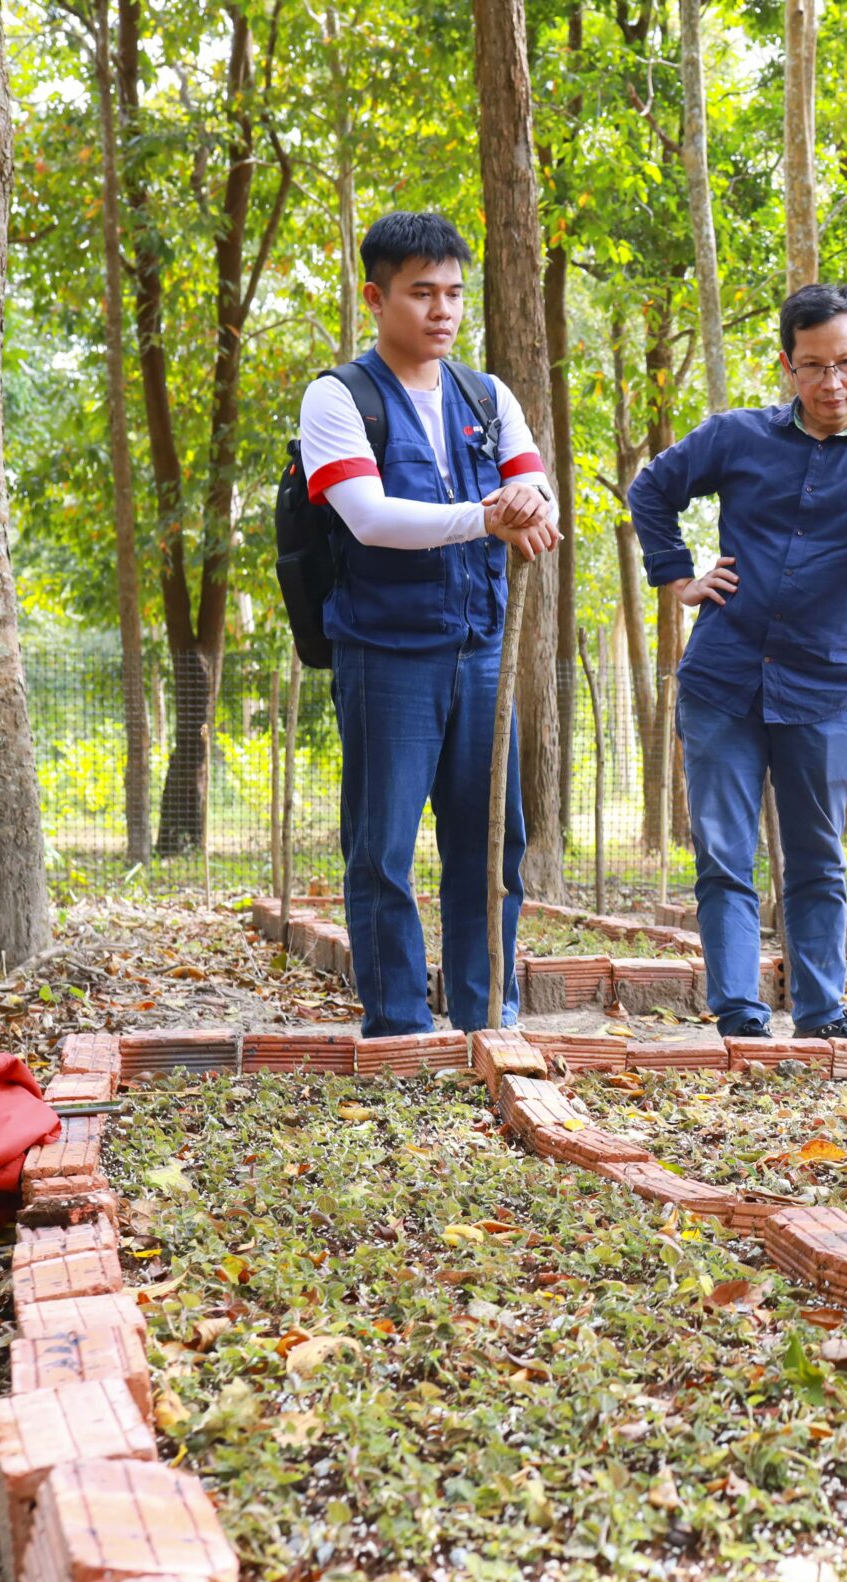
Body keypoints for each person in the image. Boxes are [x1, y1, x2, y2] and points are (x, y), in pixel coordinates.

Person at [627, 282, 847, 1041]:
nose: (831, 382)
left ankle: (821, 1014)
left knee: (817, 858)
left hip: (825, 688)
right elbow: (652, 489)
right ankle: (740, 1016)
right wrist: (677, 576)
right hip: (722, 680)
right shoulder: (737, 436)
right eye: (813, 366)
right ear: (788, 365)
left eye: (846, 363)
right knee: (724, 853)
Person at [298, 211, 559, 1038]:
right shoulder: (339, 397)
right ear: (376, 298)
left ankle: (487, 1017)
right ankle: (400, 1025)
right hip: (386, 654)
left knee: (490, 843)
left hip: (482, 651)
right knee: (382, 848)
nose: (442, 310)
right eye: (421, 293)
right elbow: (369, 517)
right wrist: (487, 517)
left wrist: (530, 506)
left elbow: (538, 495)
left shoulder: (488, 396)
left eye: (453, 292)